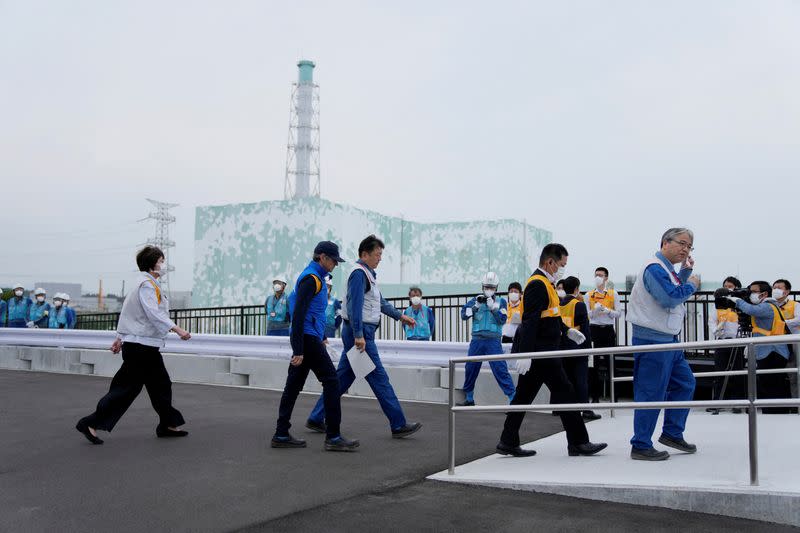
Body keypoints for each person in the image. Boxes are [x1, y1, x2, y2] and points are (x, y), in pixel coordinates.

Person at [496, 243, 607, 458]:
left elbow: (551, 316)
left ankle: (507, 440)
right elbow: (530, 321)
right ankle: (579, 442)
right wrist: (526, 353)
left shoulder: (547, 284)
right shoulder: (537, 284)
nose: (563, 269)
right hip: (542, 353)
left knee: (523, 397)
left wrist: (567, 332)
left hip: (543, 351)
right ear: (550, 262)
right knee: (566, 392)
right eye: (562, 265)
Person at [307, 235, 422, 439]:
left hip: (358, 334)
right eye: (377, 254)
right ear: (365, 254)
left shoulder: (368, 275)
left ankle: (316, 417)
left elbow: (381, 304)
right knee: (379, 378)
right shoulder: (359, 274)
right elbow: (354, 306)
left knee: (341, 379)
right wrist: (359, 335)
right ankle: (398, 423)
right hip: (360, 335)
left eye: (380, 255)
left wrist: (401, 316)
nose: (380, 258)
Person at [76, 246, 192, 445]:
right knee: (126, 389)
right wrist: (177, 329)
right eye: (161, 260)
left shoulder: (146, 284)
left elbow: (129, 312)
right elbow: (153, 313)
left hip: (143, 346)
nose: (163, 264)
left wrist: (119, 337)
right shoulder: (146, 285)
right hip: (140, 347)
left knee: (160, 385)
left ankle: (168, 424)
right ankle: (91, 422)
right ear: (151, 263)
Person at [274, 241, 360, 451]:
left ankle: (281, 434)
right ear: (322, 257)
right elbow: (299, 314)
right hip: (306, 339)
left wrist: (320, 335)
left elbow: (311, 313)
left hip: (310, 337)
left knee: (293, 386)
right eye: (333, 260)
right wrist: (299, 349)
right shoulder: (311, 279)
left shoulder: (316, 278)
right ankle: (333, 436)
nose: (335, 265)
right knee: (332, 382)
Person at [626, 228, 700, 461]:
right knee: (651, 392)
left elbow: (672, 291)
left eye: (689, 246)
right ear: (665, 243)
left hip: (669, 339)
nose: (685, 249)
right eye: (682, 243)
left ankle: (672, 433)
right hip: (653, 339)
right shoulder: (654, 268)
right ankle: (640, 444)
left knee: (685, 383)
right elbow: (670, 297)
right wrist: (693, 285)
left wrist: (685, 274)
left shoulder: (667, 269)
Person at [726, 281, 794, 414]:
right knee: (771, 383)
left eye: (754, 291)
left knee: (772, 384)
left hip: (772, 351)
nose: (751, 294)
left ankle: (775, 412)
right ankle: (775, 411)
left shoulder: (767, 306)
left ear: (764, 294)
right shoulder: (769, 305)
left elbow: (751, 310)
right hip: (770, 350)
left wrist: (738, 301)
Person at [458, 272, 515, 406]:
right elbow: (463, 316)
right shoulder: (475, 300)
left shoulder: (501, 301)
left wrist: (493, 308)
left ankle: (513, 398)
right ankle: (469, 398)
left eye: (492, 287)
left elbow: (502, 319)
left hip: (493, 340)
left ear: (496, 287)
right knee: (471, 368)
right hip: (477, 340)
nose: (489, 289)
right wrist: (475, 306)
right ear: (482, 286)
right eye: (487, 286)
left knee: (500, 368)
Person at [559, 276, 600, 421]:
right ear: (576, 289)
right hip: (578, 347)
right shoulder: (579, 304)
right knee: (581, 380)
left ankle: (566, 408)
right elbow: (585, 329)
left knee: (567, 379)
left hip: (563, 347)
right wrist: (589, 349)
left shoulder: (559, 304)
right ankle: (586, 409)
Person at [584, 267, 622, 405]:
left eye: (600, 275)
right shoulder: (589, 295)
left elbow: (618, 313)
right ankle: (595, 396)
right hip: (593, 330)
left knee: (611, 362)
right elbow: (586, 315)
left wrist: (607, 310)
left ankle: (614, 396)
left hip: (607, 330)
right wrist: (594, 310)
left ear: (606, 278)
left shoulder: (613, 294)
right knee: (593, 365)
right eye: (596, 275)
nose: (598, 278)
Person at [707, 276, 744, 413]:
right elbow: (712, 322)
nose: (727, 289)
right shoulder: (716, 307)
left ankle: (738, 402)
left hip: (738, 341)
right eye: (725, 286)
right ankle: (717, 401)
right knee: (720, 372)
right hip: (722, 341)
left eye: (730, 286)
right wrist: (716, 330)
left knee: (738, 373)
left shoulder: (740, 305)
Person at [772, 279, 800, 400]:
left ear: (787, 291)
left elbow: (798, 320)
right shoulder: (770, 305)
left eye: (779, 287)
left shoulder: (795, 305)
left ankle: (796, 403)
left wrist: (782, 323)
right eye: (774, 288)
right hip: (777, 342)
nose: (775, 290)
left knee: (796, 373)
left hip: (794, 342)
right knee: (785, 374)